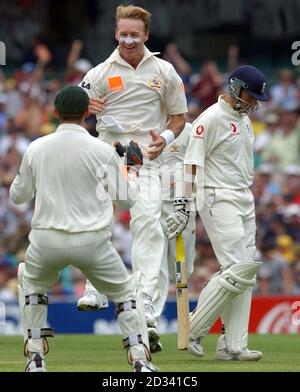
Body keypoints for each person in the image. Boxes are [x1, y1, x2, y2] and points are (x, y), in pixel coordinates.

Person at [9, 86, 157, 372]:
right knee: (126, 293)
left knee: (31, 284)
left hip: (46, 240)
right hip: (92, 243)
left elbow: (18, 197)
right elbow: (126, 200)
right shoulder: (102, 151)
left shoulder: (36, 148)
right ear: (88, 114)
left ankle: (35, 358)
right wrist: (132, 171)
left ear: (55, 113)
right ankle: (139, 359)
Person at [77, 4, 187, 337]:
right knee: (96, 220)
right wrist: (85, 107)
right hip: (108, 157)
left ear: (146, 36)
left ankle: (144, 300)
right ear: (115, 34)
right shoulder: (99, 73)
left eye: (134, 35)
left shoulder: (165, 71)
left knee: (149, 224)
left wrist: (165, 138)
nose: (127, 40)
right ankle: (95, 286)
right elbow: (67, 109)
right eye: (123, 34)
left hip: (148, 160)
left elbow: (179, 117)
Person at [167, 65, 269, 360]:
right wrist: (183, 205)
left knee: (245, 271)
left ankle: (232, 345)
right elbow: (190, 164)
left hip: (243, 198)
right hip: (216, 196)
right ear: (236, 89)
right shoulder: (209, 119)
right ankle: (193, 329)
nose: (255, 104)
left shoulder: (244, 118)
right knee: (236, 267)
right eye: (252, 97)